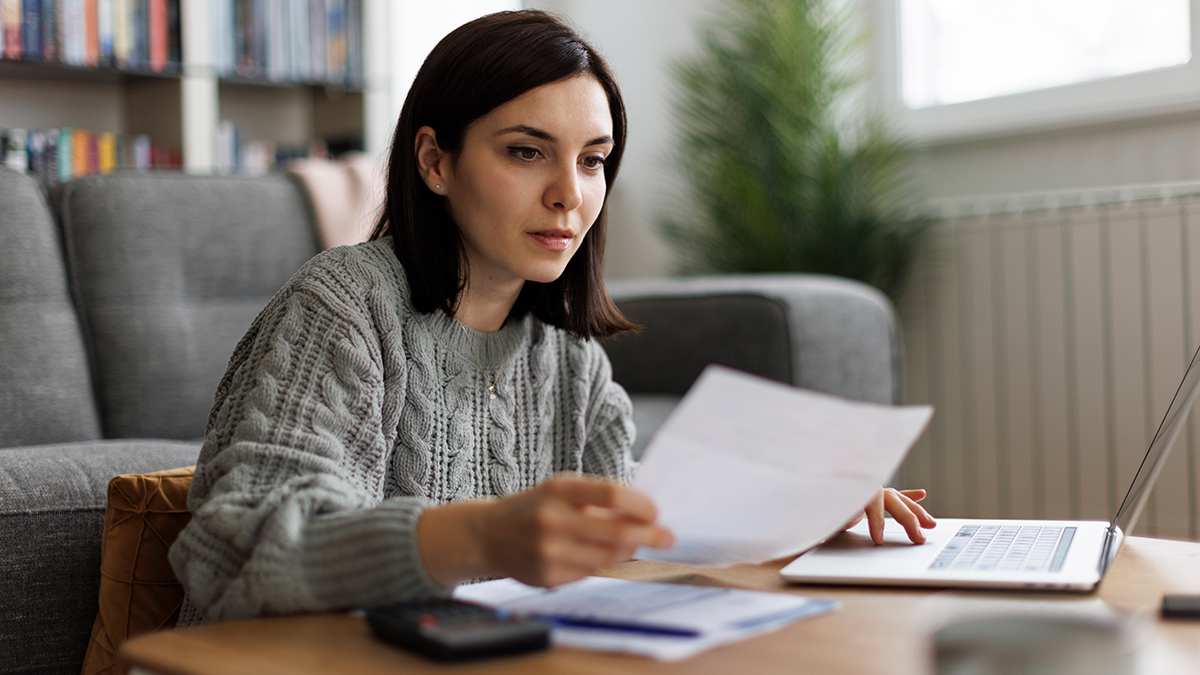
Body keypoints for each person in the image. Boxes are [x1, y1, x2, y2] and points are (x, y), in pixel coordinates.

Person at [168, 9, 934, 627]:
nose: (571, 193)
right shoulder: (345, 304)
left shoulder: (570, 361)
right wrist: (481, 534)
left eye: (594, 159)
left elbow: (628, 538)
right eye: (528, 152)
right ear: (435, 161)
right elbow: (239, 553)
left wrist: (797, 513)